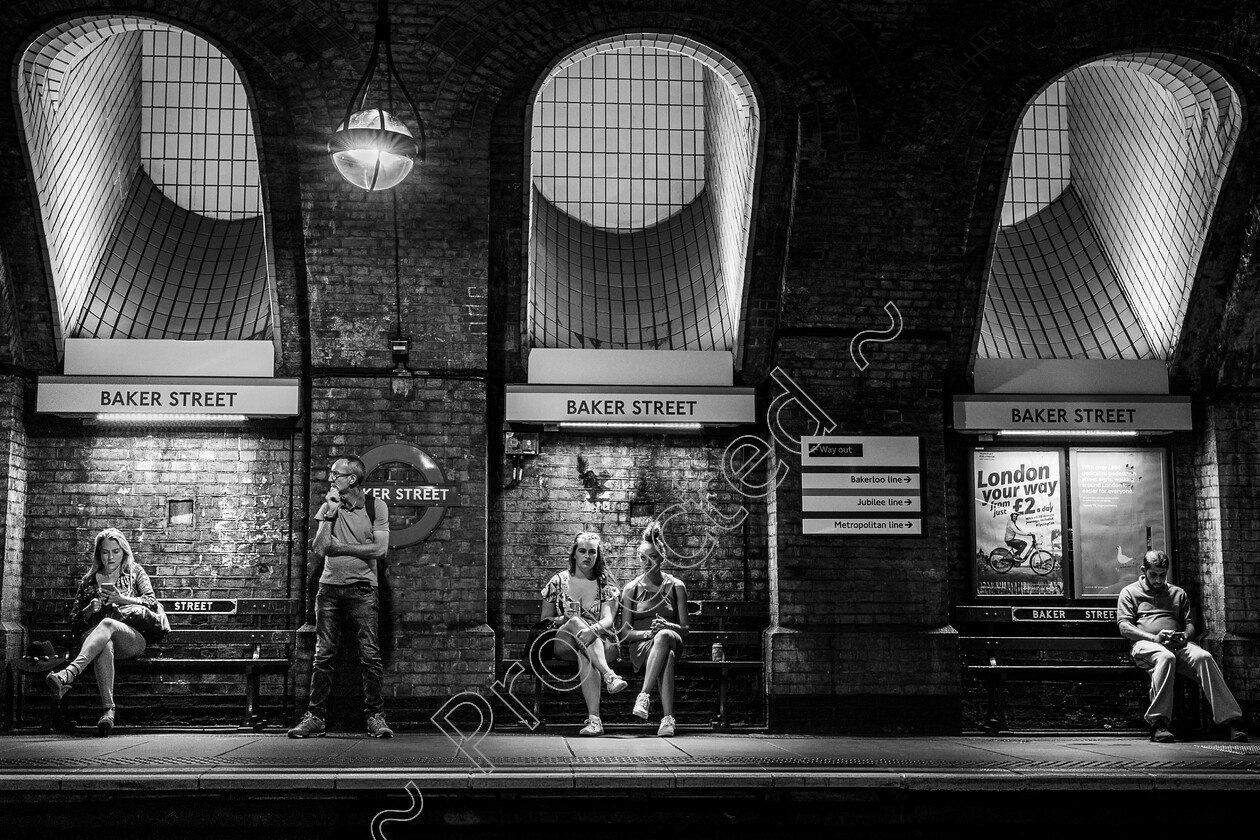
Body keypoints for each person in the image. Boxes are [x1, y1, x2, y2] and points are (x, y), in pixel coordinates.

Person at [289, 455, 393, 739]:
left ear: (353, 479)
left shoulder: (375, 506)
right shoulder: (328, 506)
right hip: (329, 589)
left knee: (370, 655)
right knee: (323, 655)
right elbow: (321, 549)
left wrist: (341, 547)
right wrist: (331, 512)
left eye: (336, 473)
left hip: (363, 588)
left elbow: (379, 551)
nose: (331, 477)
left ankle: (375, 716)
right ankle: (315, 717)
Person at [1117, 550, 1248, 743]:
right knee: (1165, 657)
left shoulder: (1178, 594)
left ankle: (1230, 721)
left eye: (1163, 575)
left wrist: (1184, 637)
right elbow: (1124, 627)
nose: (1159, 580)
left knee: (1203, 657)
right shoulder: (1129, 592)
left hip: (1178, 645)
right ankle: (1158, 723)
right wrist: (1154, 638)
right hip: (1147, 645)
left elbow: (1189, 624)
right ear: (1144, 570)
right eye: (1154, 575)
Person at [44, 528, 164, 736]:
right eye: (105, 552)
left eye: (115, 552)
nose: (110, 557)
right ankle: (108, 712)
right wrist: (89, 610)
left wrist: (122, 599)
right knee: (104, 644)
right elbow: (73, 623)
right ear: (98, 553)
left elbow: (151, 603)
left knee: (108, 623)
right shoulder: (88, 581)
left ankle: (68, 674)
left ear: (124, 552)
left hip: (130, 638)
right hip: (94, 640)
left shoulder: (135, 572)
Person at [540, 531, 628, 736]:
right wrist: (564, 620)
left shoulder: (604, 583)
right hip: (565, 641)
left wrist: (593, 629)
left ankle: (595, 721)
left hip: (602, 641)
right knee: (574, 621)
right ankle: (609, 675)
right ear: (574, 554)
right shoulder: (558, 581)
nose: (587, 556)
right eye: (582, 551)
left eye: (592, 552)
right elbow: (545, 620)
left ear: (598, 555)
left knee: (585, 650)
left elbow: (608, 619)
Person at [619, 521, 688, 737]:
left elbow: (685, 629)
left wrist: (667, 626)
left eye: (654, 557)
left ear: (662, 558)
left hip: (673, 638)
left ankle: (643, 696)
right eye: (643, 557)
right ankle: (667, 720)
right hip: (642, 647)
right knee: (664, 655)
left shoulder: (676, 586)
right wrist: (650, 633)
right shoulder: (631, 589)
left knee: (665, 637)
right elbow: (624, 634)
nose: (647, 562)